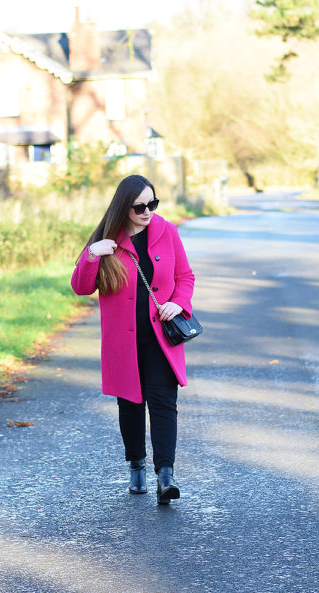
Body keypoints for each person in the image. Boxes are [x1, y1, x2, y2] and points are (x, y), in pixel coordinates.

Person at [71, 175, 195, 505]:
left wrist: (178, 302)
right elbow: (82, 287)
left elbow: (185, 277)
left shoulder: (167, 231)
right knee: (130, 403)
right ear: (124, 207)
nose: (147, 211)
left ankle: (165, 475)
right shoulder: (106, 241)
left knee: (164, 404)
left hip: (161, 337)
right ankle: (137, 467)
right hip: (122, 341)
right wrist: (92, 255)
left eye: (152, 204)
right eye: (139, 206)